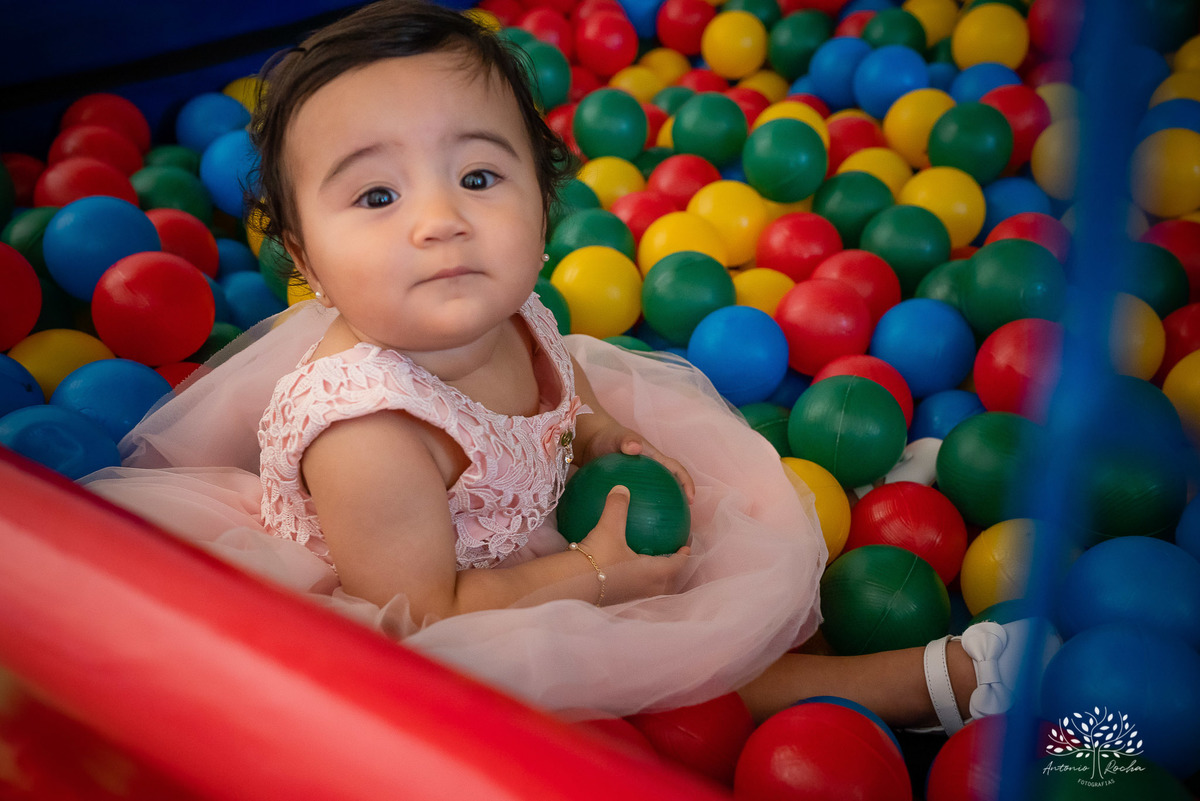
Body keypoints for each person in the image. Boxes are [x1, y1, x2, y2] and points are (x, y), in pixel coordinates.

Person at [83, 0, 1055, 730]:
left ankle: (857, 501)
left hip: (540, 526)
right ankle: (923, 685)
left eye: (477, 176)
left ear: (540, 201)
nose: (440, 220)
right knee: (677, 669)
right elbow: (421, 616)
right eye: (376, 196)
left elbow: (567, 382)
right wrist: (591, 576)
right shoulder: (373, 437)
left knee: (722, 523)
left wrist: (596, 432)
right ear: (304, 258)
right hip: (444, 605)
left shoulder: (505, 305)